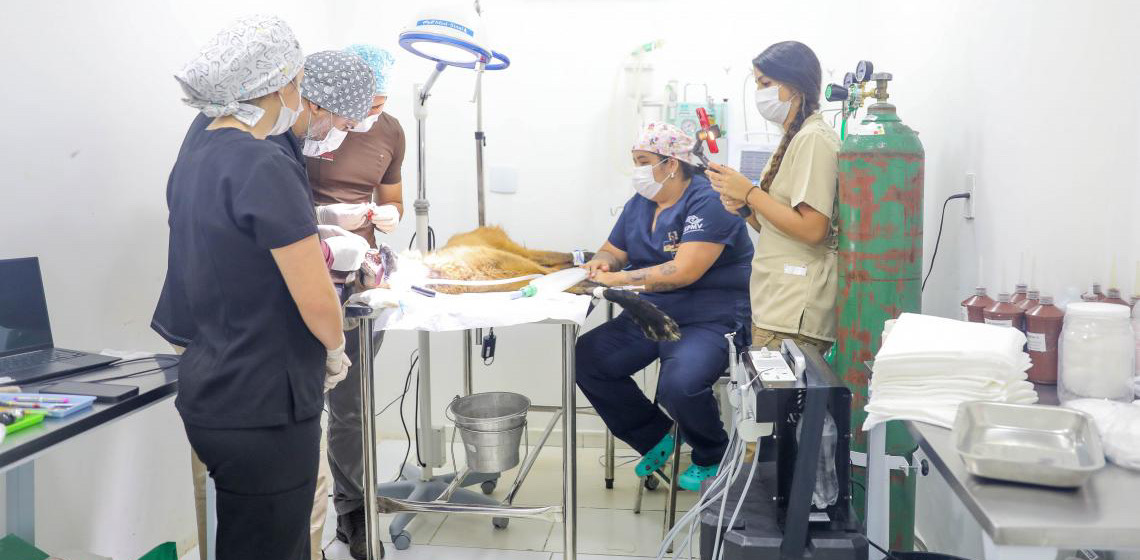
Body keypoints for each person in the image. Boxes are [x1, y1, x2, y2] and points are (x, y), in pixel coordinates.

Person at [151, 18, 375, 559]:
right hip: (264, 402)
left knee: (247, 540)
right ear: (279, 85)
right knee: (276, 544)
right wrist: (335, 348)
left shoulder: (199, 153)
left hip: (211, 391)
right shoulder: (262, 162)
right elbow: (315, 296)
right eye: (299, 80)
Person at [576, 122, 753, 492]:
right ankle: (656, 435)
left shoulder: (710, 200)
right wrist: (603, 263)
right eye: (635, 161)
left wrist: (619, 280)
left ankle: (711, 453)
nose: (637, 171)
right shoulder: (640, 204)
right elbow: (616, 249)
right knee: (588, 358)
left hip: (708, 317)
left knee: (681, 385)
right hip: (651, 313)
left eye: (643, 161)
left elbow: (684, 271)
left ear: (671, 163)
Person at [305, 44, 404, 560]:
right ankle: (305, 523)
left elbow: (395, 199)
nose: (370, 114)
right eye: (364, 103)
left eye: (380, 102)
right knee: (301, 404)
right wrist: (326, 214)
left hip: (360, 277)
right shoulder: (305, 128)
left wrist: (385, 215)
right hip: (305, 274)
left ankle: (354, 511)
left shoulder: (390, 130)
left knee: (351, 404)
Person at [707, 41, 840, 355]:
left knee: (784, 404)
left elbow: (812, 229)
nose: (759, 93)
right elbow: (776, 227)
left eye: (765, 83)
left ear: (794, 85)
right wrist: (744, 207)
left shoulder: (813, 140)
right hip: (776, 302)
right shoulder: (793, 138)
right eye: (756, 84)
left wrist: (751, 192)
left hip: (795, 309)